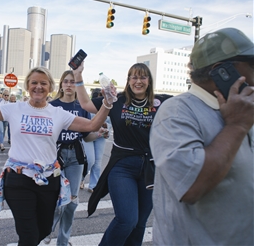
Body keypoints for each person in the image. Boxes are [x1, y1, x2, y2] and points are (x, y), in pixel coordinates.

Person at [0, 63, 113, 246]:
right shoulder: (14, 109)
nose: (38, 87)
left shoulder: (58, 113)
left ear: (50, 88)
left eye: (43, 83)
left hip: (48, 180)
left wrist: (108, 103)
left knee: (45, 228)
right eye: (34, 83)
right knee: (29, 235)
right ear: (28, 86)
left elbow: (91, 126)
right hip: (19, 179)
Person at [150, 28, 254, 245]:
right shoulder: (177, 111)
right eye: (252, 64)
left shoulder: (244, 108)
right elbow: (192, 185)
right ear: (222, 71)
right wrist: (236, 126)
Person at [73, 63, 172, 245]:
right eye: (134, 77)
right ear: (128, 81)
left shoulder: (162, 102)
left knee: (140, 223)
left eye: (143, 77)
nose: (138, 81)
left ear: (149, 80)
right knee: (127, 220)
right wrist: (78, 76)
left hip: (150, 169)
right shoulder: (116, 100)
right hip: (122, 167)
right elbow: (86, 104)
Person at [44, 70, 106, 245]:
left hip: (76, 157)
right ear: (61, 84)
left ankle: (63, 241)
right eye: (66, 81)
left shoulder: (82, 108)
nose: (69, 85)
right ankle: (47, 230)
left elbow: (86, 136)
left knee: (71, 203)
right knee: (55, 200)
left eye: (73, 81)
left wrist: (100, 134)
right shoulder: (52, 106)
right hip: (54, 157)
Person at [80, 89, 111, 193]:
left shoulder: (108, 107)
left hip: (101, 137)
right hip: (89, 135)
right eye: (99, 97)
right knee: (89, 160)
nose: (101, 99)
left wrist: (106, 128)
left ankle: (93, 185)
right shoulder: (88, 107)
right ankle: (81, 178)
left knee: (97, 162)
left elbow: (110, 123)